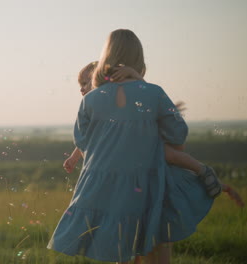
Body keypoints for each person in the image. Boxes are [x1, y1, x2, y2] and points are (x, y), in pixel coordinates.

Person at [47, 29, 234, 264]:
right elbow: (178, 137)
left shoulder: (90, 100)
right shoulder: (153, 93)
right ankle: (205, 173)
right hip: (144, 186)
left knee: (120, 250)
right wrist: (141, 85)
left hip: (100, 189)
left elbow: (83, 142)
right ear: (138, 58)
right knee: (154, 246)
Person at [63, 62, 244, 207]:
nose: (82, 88)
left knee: (168, 154)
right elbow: (89, 140)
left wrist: (136, 78)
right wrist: (74, 158)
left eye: (86, 82)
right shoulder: (93, 109)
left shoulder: (119, 100)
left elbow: (144, 102)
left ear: (102, 81)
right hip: (125, 163)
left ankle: (202, 170)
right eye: (80, 84)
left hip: (143, 147)